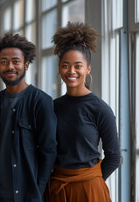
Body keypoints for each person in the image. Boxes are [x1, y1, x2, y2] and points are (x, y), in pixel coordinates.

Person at [46, 22, 121, 201]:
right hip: (57, 187)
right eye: (66, 65)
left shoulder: (100, 109)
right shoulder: (52, 107)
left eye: (78, 66)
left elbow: (114, 156)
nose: (71, 71)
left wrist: (91, 180)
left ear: (87, 69)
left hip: (89, 190)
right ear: (59, 68)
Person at [0, 33, 57, 202]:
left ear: (26, 64)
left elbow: (49, 151)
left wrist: (37, 191)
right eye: (3, 62)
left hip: (27, 195)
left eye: (16, 61)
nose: (9, 66)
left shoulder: (41, 101)